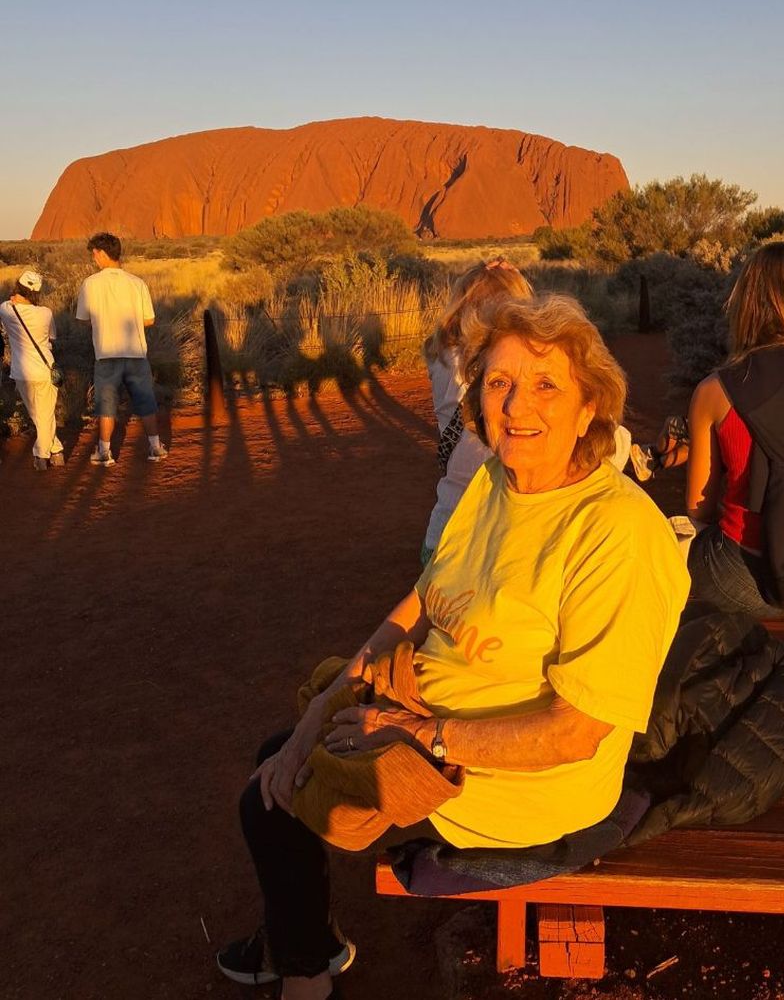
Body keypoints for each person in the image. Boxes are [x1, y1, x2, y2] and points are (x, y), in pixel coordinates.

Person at [216, 293, 689, 998]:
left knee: (267, 803)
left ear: (591, 408)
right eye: (498, 382)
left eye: (545, 385)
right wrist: (325, 710)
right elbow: (419, 603)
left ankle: (304, 969)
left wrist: (418, 731)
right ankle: (301, 940)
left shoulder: (617, 533)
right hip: (437, 722)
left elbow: (576, 731)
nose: (516, 405)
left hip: (525, 788)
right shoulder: (498, 480)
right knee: (279, 755)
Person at [422, 259, 632, 564]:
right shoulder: (480, 366)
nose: (515, 405)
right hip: (493, 547)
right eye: (498, 383)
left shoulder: (441, 355)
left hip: (442, 532)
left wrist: (484, 276)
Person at [686, 242, 784, 617]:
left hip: (745, 577)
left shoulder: (715, 391)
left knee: (689, 541)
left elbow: (697, 504)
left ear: (747, 302)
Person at [76, 233, 167, 465]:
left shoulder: (90, 284)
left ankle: (105, 452)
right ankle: (155, 448)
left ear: (104, 254)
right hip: (136, 353)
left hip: (106, 354)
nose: (94, 259)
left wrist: (103, 320)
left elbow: (83, 319)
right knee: (146, 401)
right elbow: (149, 320)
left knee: (106, 405)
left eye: (95, 254)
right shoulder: (137, 283)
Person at [0, 268, 65, 470]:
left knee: (38, 415)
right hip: (45, 370)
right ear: (36, 292)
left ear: (17, 286)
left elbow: (8, 304)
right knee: (44, 415)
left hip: (21, 372)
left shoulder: (5, 309)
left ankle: (52, 452)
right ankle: (46, 454)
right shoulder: (46, 313)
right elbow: (52, 337)